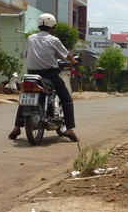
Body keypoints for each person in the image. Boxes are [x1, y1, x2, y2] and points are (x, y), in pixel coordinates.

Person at [8, 13, 79, 142]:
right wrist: (73, 62)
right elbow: (66, 54)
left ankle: (17, 127)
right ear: (52, 27)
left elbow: (26, 54)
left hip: (31, 75)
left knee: (26, 97)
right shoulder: (53, 40)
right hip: (49, 75)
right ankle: (69, 129)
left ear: (39, 26)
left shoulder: (30, 38)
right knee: (67, 99)